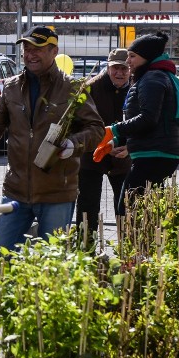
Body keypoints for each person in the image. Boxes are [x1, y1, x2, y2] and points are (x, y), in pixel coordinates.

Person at [0, 26, 104, 252]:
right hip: (16, 193)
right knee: (1, 255)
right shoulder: (11, 89)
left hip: (56, 193)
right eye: (26, 49)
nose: (30, 55)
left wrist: (73, 144)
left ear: (54, 51)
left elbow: (96, 128)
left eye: (37, 49)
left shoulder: (71, 88)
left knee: (50, 265)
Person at [94, 32, 179, 215]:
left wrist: (114, 129)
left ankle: (135, 244)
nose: (128, 61)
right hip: (154, 153)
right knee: (141, 211)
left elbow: (148, 118)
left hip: (154, 155)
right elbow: (146, 123)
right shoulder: (153, 76)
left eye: (132, 56)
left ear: (147, 57)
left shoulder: (152, 78)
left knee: (127, 211)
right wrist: (117, 140)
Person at [75, 48, 132, 241]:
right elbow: (79, 124)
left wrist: (129, 146)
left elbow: (142, 122)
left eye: (124, 69)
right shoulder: (90, 88)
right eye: (115, 68)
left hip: (123, 155)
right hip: (91, 155)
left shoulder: (137, 88)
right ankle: (85, 247)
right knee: (87, 204)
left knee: (126, 204)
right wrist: (104, 143)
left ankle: (127, 248)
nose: (120, 73)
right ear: (107, 67)